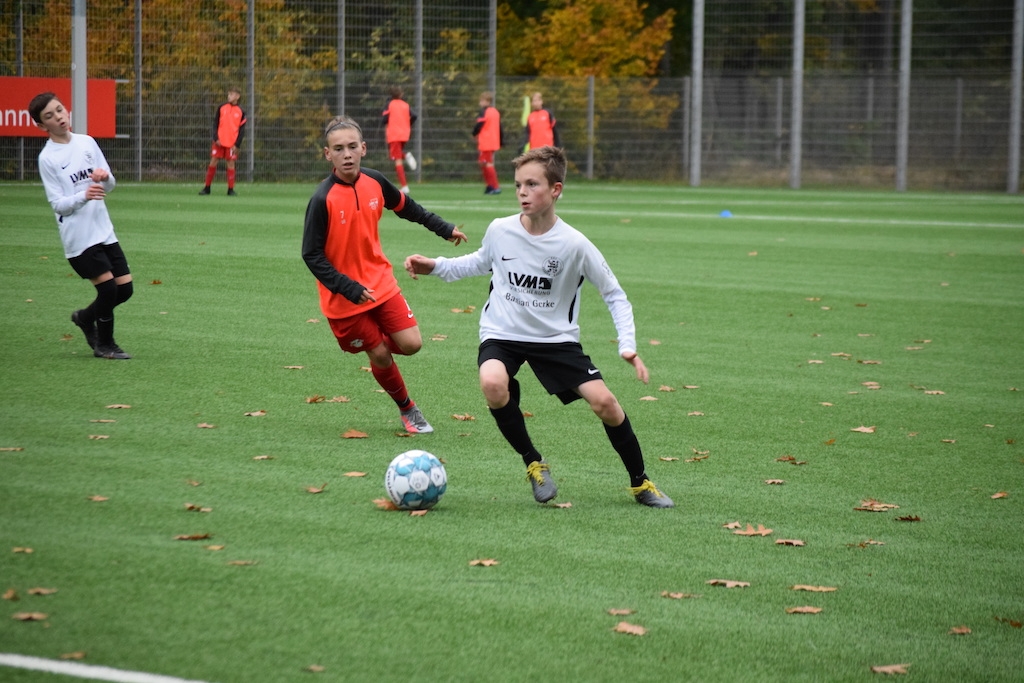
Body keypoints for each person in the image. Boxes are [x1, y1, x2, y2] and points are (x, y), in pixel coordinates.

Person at [403, 146, 673, 508]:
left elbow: (615, 295)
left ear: (555, 189)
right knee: (492, 383)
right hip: (503, 333)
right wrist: (435, 266)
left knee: (605, 403)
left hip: (555, 340)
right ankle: (533, 462)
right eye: (518, 185)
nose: (522, 192)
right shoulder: (501, 230)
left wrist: (628, 345)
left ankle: (641, 483)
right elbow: (479, 262)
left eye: (532, 184)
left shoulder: (575, 244)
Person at [302, 115, 468, 434]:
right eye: (339, 149)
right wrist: (347, 287)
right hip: (344, 299)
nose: (347, 154)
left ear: (363, 148)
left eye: (352, 147)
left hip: (380, 282)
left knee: (412, 344)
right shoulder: (322, 199)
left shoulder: (375, 181)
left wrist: (443, 228)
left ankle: (375, 342)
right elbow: (311, 255)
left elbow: (408, 207)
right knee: (378, 352)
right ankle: (408, 409)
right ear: (327, 154)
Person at [28, 92, 134, 360]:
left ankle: (85, 318)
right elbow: (58, 204)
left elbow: (110, 184)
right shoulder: (48, 158)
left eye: (59, 110)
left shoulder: (87, 142)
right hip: (79, 238)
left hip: (104, 230)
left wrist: (104, 177)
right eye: (49, 116)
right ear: (41, 126)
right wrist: (83, 195)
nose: (58, 117)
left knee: (124, 289)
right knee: (108, 289)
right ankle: (105, 345)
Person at [199, 87, 247, 196]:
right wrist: (216, 138)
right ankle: (207, 187)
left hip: (231, 143)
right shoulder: (221, 107)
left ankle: (230, 189)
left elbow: (242, 130)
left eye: (232, 94)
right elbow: (215, 124)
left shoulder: (241, 111)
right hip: (219, 141)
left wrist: (237, 145)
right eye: (228, 94)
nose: (229, 96)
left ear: (237, 96)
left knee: (230, 163)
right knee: (213, 161)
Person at [381, 86, 417, 194]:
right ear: (401, 94)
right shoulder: (405, 105)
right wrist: (408, 124)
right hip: (405, 134)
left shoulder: (389, 104)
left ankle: (404, 186)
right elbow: (414, 115)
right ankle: (405, 155)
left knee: (397, 159)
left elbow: (384, 119)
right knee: (394, 156)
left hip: (394, 134)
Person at [472, 91, 502, 195]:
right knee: (483, 163)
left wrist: (474, 133)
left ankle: (494, 186)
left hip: (486, 142)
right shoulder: (495, 112)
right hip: (493, 142)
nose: (480, 103)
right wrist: (501, 140)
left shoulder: (484, 112)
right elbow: (500, 127)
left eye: (482, 101)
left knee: (487, 163)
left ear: (487, 101)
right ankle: (490, 185)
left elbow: (479, 125)